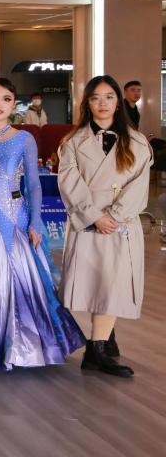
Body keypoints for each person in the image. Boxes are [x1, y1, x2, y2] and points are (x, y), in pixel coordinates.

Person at [0, 78, 85, 372]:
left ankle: (24, 346)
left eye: (6, 99)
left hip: (15, 220)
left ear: (14, 105)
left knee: (20, 280)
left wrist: (35, 221)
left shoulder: (24, 138)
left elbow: (33, 185)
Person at [57, 76, 152, 377]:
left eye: (109, 97)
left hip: (120, 223)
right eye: (96, 97)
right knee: (93, 283)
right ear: (87, 103)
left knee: (114, 283)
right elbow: (69, 182)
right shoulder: (73, 142)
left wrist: (116, 215)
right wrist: (94, 216)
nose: (103, 103)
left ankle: (96, 349)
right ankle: (102, 340)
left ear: (118, 102)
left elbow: (140, 184)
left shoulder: (137, 142)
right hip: (89, 221)